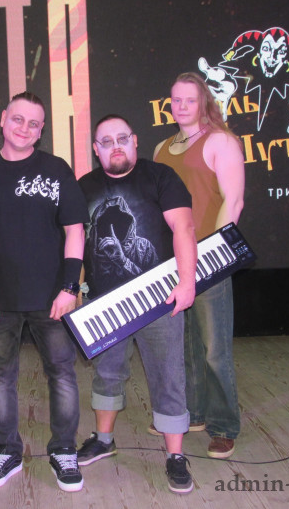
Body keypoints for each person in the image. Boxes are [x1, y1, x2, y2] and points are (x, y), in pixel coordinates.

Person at [0, 92, 89, 492]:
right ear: (3, 119)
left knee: (62, 373)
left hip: (52, 299)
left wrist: (70, 287)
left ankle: (64, 450)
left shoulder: (57, 170)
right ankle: (7, 450)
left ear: (41, 131)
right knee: (0, 376)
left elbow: (75, 231)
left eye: (34, 123)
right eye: (18, 119)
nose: (25, 128)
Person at [74, 114, 198, 493]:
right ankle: (103, 439)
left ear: (135, 140)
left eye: (122, 138)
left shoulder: (160, 177)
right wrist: (74, 290)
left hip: (159, 299)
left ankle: (175, 455)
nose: (115, 146)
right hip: (105, 303)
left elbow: (183, 228)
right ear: (96, 149)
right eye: (106, 141)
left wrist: (187, 281)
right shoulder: (84, 187)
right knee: (107, 373)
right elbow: (74, 242)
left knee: (168, 375)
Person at [153, 72, 245, 459]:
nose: (182, 106)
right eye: (176, 100)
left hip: (208, 259)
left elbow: (233, 201)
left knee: (214, 350)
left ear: (204, 101)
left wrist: (212, 255)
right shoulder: (161, 148)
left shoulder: (221, 141)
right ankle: (195, 413)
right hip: (171, 264)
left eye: (190, 99)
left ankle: (224, 426)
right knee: (185, 348)